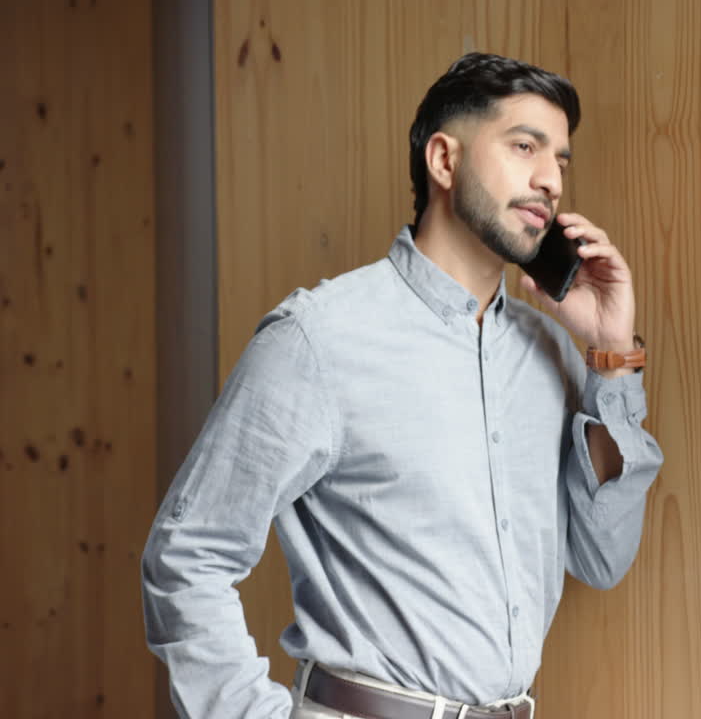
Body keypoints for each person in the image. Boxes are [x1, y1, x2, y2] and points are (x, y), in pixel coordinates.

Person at [142, 52, 664, 719]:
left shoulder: (552, 354)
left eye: (561, 159)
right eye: (524, 146)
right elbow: (187, 555)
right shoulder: (319, 339)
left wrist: (612, 358)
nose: (549, 180)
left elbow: (602, 558)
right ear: (443, 162)